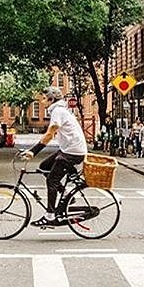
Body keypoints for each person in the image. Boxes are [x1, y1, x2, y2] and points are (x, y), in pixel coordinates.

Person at [21, 86, 87, 228]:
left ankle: (50, 216)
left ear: (51, 99)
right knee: (44, 167)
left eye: (44, 98)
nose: (43, 101)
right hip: (69, 150)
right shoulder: (59, 110)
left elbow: (50, 133)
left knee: (52, 180)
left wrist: (34, 151)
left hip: (72, 152)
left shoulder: (58, 111)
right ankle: (67, 192)